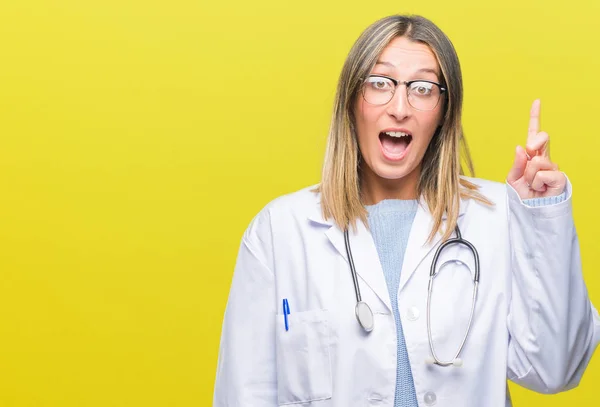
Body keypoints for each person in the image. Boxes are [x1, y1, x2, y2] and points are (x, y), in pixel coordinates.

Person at [213, 14, 600, 407]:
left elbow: (557, 370)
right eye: (380, 83)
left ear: (444, 111)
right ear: (351, 102)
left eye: (423, 88)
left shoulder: (498, 216)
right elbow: (243, 394)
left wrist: (541, 218)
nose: (400, 107)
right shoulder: (280, 232)